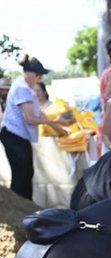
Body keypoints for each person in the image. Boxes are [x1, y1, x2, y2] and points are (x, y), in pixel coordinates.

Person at [0, 55, 71, 200]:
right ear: (30, 73)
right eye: (38, 75)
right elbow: (30, 118)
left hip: (19, 136)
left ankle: (25, 207)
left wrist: (57, 123)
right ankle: (18, 209)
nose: (39, 79)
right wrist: (55, 122)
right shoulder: (22, 88)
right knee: (21, 176)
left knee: (26, 173)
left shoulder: (24, 87)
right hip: (14, 135)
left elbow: (37, 114)